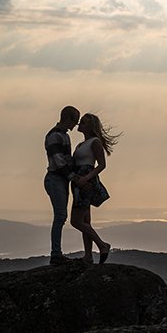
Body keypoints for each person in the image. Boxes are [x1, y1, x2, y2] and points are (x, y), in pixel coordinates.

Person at [70, 111, 119, 264]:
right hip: (79, 181)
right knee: (85, 221)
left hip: (86, 181)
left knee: (76, 221)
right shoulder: (80, 144)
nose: (79, 124)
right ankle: (88, 256)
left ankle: (102, 245)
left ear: (90, 126)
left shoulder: (94, 142)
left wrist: (86, 178)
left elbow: (102, 165)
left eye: (83, 122)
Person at [44, 105, 80, 265]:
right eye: (75, 121)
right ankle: (56, 255)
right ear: (68, 119)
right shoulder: (54, 136)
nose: (75, 126)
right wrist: (73, 177)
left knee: (61, 216)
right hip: (56, 178)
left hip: (61, 179)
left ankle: (56, 253)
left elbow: (65, 159)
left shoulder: (64, 136)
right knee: (60, 216)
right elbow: (58, 161)